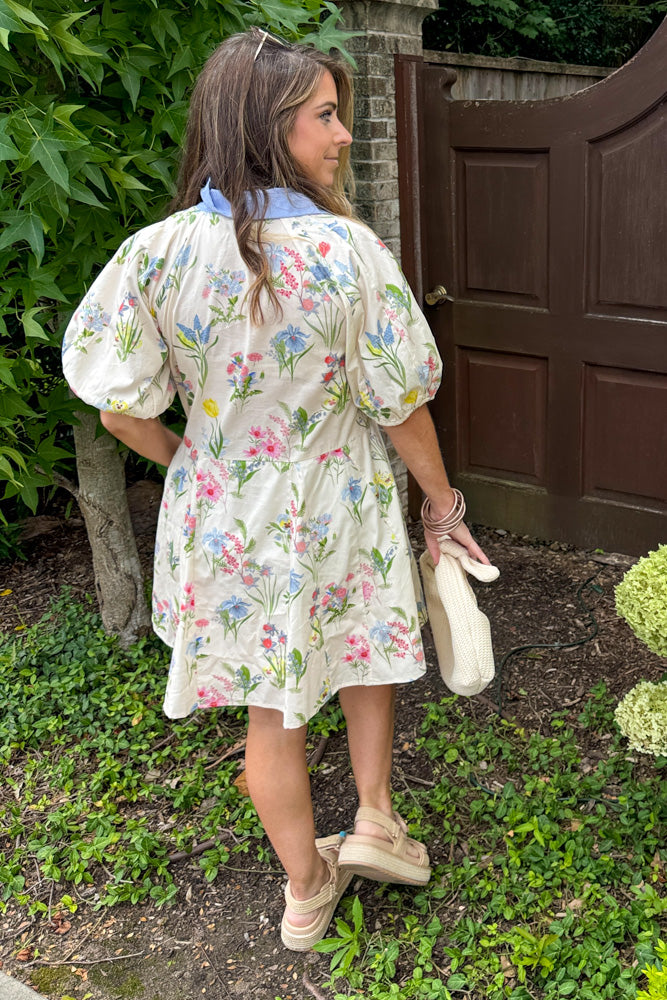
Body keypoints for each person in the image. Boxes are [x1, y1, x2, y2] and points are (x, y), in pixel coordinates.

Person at [62, 27, 489, 951]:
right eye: (325, 116)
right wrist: (442, 505)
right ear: (267, 126)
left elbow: (119, 411)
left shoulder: (154, 254)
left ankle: (305, 892)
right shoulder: (348, 252)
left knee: (272, 706)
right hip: (343, 498)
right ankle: (374, 816)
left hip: (225, 516)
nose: (343, 135)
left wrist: (197, 464)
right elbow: (400, 403)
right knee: (366, 651)